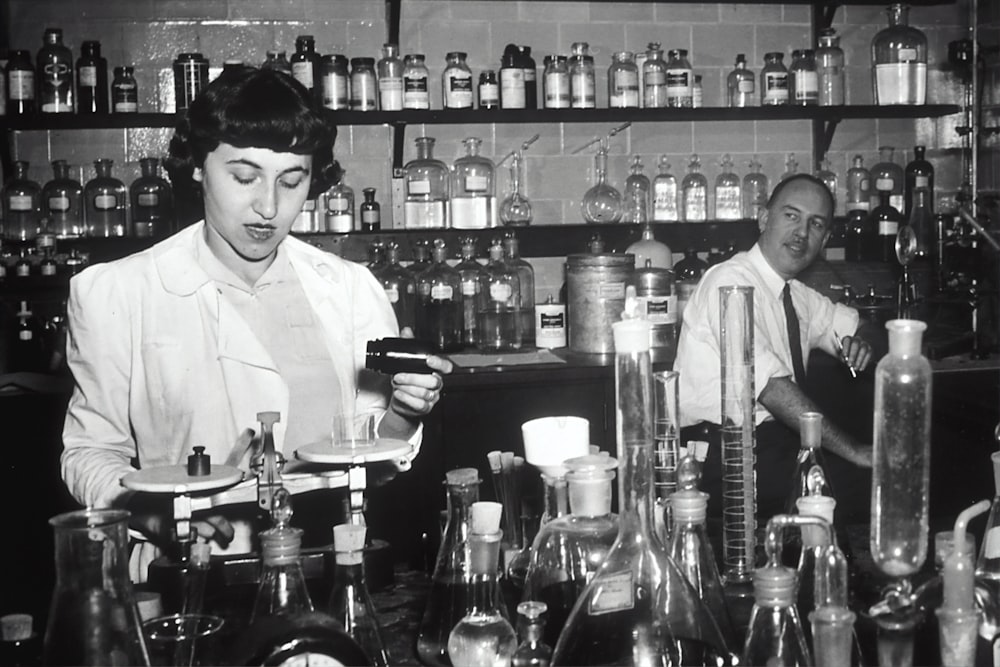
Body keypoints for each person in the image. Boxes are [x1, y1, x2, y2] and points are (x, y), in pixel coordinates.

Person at [60, 66, 452, 579]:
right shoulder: (116, 291)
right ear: (199, 166)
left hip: (331, 562)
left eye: (292, 181)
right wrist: (150, 513)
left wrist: (403, 411)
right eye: (244, 178)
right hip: (188, 569)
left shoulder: (350, 287)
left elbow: (374, 460)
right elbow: (90, 453)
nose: (268, 207)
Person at [674, 174, 874, 522]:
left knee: (880, 477)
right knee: (871, 482)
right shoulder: (729, 282)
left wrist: (864, 343)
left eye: (815, 224)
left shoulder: (797, 295)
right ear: (764, 219)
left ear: (825, 239)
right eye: (791, 215)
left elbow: (862, 327)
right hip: (723, 459)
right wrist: (854, 451)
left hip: (776, 449)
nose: (802, 233)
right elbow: (772, 389)